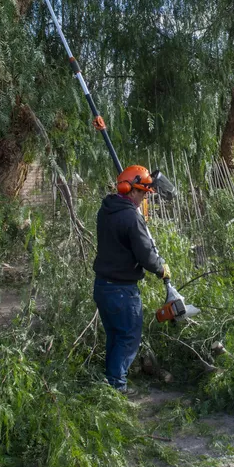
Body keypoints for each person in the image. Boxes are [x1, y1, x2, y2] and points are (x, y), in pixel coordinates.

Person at [92, 165, 170, 394]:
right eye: (143, 193)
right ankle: (117, 386)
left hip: (103, 286)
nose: (144, 197)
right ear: (131, 190)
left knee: (115, 336)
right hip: (122, 291)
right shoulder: (131, 217)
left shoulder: (106, 210)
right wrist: (160, 268)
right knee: (128, 338)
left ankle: (111, 382)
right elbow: (145, 254)